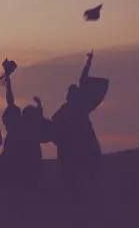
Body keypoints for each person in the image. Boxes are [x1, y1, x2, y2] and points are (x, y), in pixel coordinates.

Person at [50, 51, 109, 203]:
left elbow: (82, 80)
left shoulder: (78, 106)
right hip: (73, 147)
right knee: (75, 177)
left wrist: (88, 62)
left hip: (83, 144)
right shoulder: (68, 109)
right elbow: (55, 124)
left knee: (85, 174)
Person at [0, 59, 50, 190]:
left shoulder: (22, 126)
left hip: (23, 160)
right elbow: (10, 100)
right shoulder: (23, 126)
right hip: (21, 160)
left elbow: (10, 101)